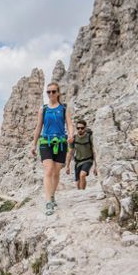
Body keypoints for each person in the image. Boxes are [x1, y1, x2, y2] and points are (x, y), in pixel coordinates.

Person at [31, 82, 74, 215]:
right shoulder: (43, 109)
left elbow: (69, 124)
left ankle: (52, 195)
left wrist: (71, 135)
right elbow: (38, 127)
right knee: (49, 170)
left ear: (58, 93)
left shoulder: (64, 108)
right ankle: (49, 202)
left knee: (56, 172)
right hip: (45, 142)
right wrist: (33, 144)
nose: (51, 94)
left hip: (61, 142)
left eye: (53, 91)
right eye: (48, 92)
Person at [66, 119, 97, 190]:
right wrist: (67, 166)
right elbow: (70, 152)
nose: (80, 130)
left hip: (88, 160)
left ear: (85, 128)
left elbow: (94, 151)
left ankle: (83, 192)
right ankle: (80, 192)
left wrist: (96, 166)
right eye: (78, 128)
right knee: (78, 182)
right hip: (78, 161)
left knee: (82, 175)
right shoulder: (73, 139)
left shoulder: (90, 137)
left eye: (82, 128)